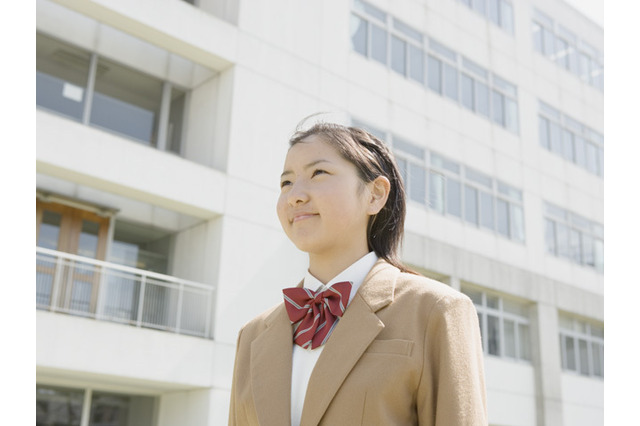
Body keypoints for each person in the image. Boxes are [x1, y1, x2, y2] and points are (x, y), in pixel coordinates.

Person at [228, 121, 487, 426]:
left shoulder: (434, 311)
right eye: (286, 183)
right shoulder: (253, 335)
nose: (295, 195)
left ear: (375, 194)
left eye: (317, 173)